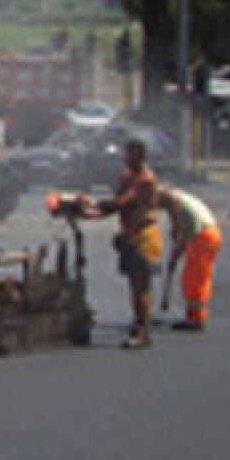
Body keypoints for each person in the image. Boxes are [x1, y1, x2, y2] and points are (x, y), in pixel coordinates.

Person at [82, 138, 162, 349]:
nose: (125, 158)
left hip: (143, 236)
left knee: (141, 287)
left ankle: (143, 331)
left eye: (130, 154)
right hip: (130, 235)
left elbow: (121, 203)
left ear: (140, 156)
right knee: (133, 286)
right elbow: (117, 203)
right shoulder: (129, 177)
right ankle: (138, 326)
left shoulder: (145, 179)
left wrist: (93, 205)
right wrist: (92, 213)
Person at [158, 186, 223, 331]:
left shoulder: (171, 199)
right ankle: (193, 315)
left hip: (204, 236)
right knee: (191, 278)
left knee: (196, 279)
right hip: (204, 235)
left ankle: (196, 319)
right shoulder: (180, 202)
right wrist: (175, 255)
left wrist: (176, 230)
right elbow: (183, 237)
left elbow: (180, 232)